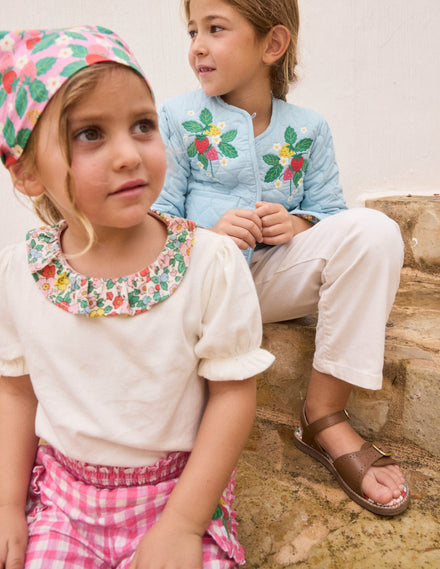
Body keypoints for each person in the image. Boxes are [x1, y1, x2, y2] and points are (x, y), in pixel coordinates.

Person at [0, 25, 275, 569]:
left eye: (142, 125)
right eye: (89, 135)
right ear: (28, 171)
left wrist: (182, 524)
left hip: (176, 495)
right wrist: (9, 504)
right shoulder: (20, 272)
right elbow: (16, 391)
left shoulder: (209, 263)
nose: (128, 154)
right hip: (64, 501)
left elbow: (233, 395)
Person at [153, 0, 410, 516]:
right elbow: (152, 217)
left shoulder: (308, 129)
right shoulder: (177, 118)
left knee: (375, 231)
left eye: (215, 29)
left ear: (272, 45)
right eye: (192, 31)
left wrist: (299, 224)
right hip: (200, 283)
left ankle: (324, 416)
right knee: (205, 249)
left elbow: (331, 213)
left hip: (269, 282)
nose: (197, 45)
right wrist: (207, 232)